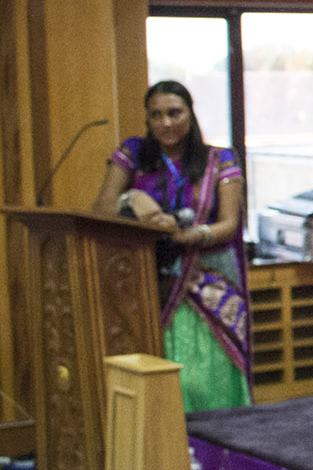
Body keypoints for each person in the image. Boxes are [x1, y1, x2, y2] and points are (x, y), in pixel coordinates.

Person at [91, 80, 251, 412]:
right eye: (156, 115)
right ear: (147, 120)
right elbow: (102, 210)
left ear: (190, 114)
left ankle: (213, 457)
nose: (166, 123)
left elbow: (229, 224)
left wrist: (190, 235)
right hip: (146, 281)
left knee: (203, 382)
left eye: (175, 113)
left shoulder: (218, 159)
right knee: (159, 383)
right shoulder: (134, 154)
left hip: (206, 284)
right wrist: (135, 199)